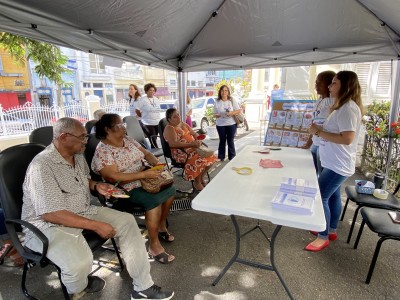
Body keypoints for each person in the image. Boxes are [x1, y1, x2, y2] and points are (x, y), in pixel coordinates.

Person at [21, 117, 174, 299]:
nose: (87, 141)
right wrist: (96, 225)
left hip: (82, 209)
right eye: (82, 137)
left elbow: (83, 180)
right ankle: (78, 286)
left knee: (127, 221)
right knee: (80, 265)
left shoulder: (77, 155)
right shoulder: (42, 166)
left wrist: (95, 186)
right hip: (47, 225)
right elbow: (50, 213)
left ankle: (143, 287)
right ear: (63, 137)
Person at [92, 114, 176, 264]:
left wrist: (157, 165)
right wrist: (143, 174)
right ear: (107, 130)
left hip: (145, 177)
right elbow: (112, 177)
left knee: (170, 190)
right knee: (153, 200)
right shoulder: (103, 151)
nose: (124, 127)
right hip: (125, 187)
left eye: (123, 124)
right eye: (119, 125)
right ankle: (154, 245)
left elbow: (147, 154)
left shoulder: (128, 140)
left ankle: (161, 225)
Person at [305, 71, 364, 252]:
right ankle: (330, 230)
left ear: (345, 86)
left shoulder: (348, 109)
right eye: (330, 83)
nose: (330, 86)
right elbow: (338, 132)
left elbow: (347, 138)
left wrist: (318, 132)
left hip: (337, 164)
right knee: (332, 195)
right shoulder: (342, 106)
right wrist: (320, 130)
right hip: (334, 161)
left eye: (334, 83)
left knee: (320, 196)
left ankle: (323, 236)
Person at [163, 108, 218, 191]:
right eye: (174, 117)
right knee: (199, 159)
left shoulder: (183, 124)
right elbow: (173, 144)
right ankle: (197, 182)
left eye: (178, 114)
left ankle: (201, 178)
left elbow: (193, 133)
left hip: (193, 148)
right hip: (180, 152)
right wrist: (191, 144)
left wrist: (197, 137)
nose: (178, 117)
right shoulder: (169, 128)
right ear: (169, 119)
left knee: (211, 156)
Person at [302, 71, 336, 175]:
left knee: (321, 178)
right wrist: (308, 144)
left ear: (329, 85)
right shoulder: (319, 100)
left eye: (320, 83)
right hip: (315, 144)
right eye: (316, 82)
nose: (316, 85)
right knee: (313, 174)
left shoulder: (332, 102)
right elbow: (314, 125)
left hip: (325, 146)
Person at [213, 85, 242, 161]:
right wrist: (219, 115)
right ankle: (221, 156)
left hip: (231, 123)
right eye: (222, 90)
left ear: (228, 92)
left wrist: (231, 113)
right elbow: (214, 114)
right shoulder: (217, 101)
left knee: (230, 140)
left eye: (226, 90)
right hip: (220, 124)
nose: (224, 92)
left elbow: (238, 110)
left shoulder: (232, 100)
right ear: (220, 92)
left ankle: (232, 157)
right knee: (222, 140)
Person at [135, 83, 161, 148]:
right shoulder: (142, 100)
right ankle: (155, 155)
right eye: (150, 90)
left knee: (154, 138)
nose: (152, 92)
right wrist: (142, 116)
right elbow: (137, 110)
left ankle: (154, 154)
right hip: (147, 123)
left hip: (157, 122)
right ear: (146, 91)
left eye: (153, 90)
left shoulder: (156, 99)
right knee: (152, 139)